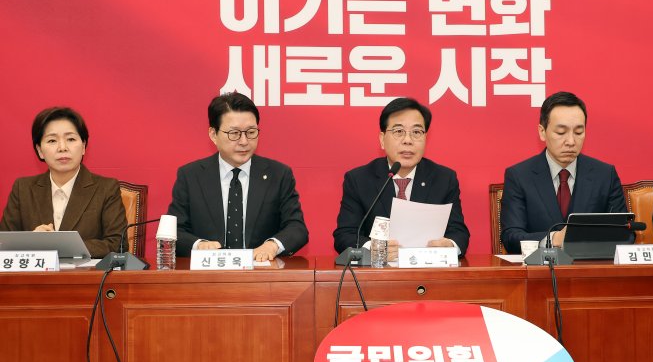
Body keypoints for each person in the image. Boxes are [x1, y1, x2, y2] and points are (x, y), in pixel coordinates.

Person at [167, 93, 308, 261]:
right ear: (213, 134)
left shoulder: (278, 174)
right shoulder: (191, 176)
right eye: (234, 133)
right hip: (208, 273)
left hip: (261, 273)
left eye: (251, 132)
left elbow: (297, 228)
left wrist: (272, 245)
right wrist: (200, 245)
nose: (244, 141)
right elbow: (174, 231)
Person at [333, 97, 469, 260]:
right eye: (398, 131)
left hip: (427, 270)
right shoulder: (359, 179)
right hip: (378, 273)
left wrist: (450, 246)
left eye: (416, 132)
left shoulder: (444, 179)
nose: (408, 140)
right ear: (382, 139)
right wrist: (374, 248)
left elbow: (459, 233)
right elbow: (345, 235)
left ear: (426, 138)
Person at [501, 91, 626, 253]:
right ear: (542, 132)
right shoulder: (519, 176)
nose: (571, 141)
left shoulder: (605, 175)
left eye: (579, 132)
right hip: (541, 267)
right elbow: (511, 237)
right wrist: (553, 238)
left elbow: (625, 233)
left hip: (590, 266)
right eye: (561, 132)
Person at [0, 107, 128, 257]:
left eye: (71, 139)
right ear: (40, 150)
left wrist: (59, 245)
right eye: (52, 140)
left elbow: (118, 245)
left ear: (83, 146)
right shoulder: (23, 189)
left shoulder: (106, 188)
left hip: (86, 272)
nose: (62, 148)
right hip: (37, 272)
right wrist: (32, 241)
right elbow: (3, 244)